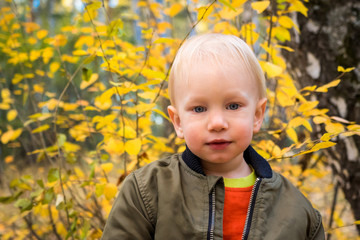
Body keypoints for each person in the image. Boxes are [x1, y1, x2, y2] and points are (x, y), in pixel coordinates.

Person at [101, 33, 325, 240]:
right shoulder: (148, 191)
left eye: (233, 105)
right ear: (178, 121)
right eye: (199, 109)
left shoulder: (296, 211)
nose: (217, 123)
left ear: (257, 115)